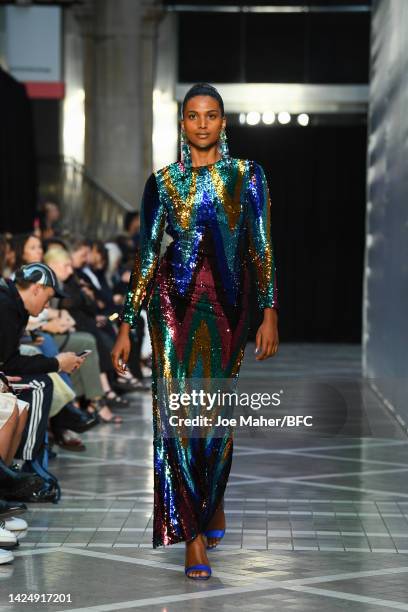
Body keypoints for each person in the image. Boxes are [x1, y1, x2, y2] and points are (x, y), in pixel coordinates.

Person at [112, 83, 279, 580]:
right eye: (193, 116)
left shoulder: (247, 176)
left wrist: (269, 312)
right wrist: (125, 322)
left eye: (211, 116)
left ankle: (212, 499)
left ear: (222, 123)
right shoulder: (163, 182)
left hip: (228, 306)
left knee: (214, 416)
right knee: (177, 417)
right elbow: (145, 256)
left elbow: (261, 245)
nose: (202, 124)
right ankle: (193, 535)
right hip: (172, 305)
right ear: (182, 124)